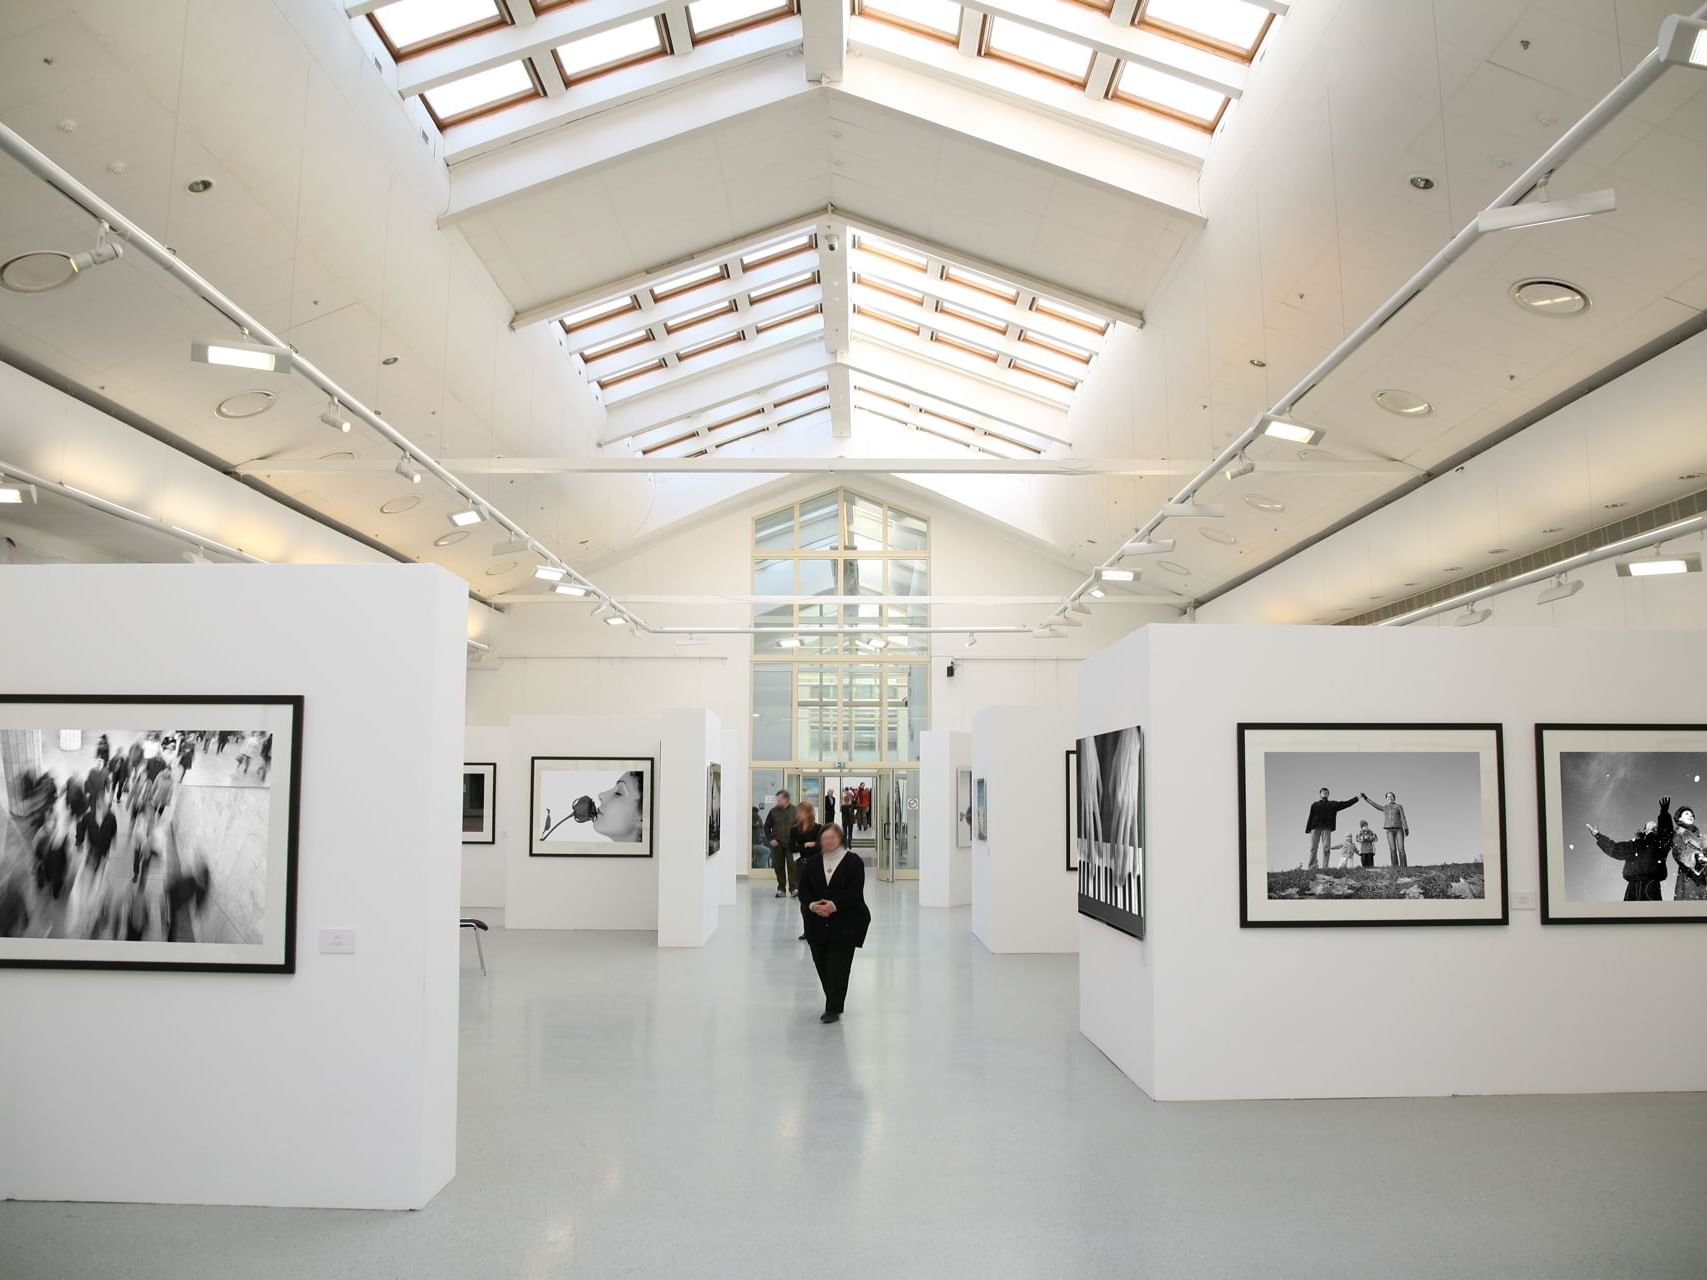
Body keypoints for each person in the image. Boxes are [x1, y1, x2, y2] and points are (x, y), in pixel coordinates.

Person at [798, 824, 870, 1023]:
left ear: (840, 839)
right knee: (822, 964)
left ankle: (833, 1007)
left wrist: (834, 905)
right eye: (825, 838)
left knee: (838, 966)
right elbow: (803, 889)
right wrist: (813, 905)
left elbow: (855, 890)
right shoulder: (812, 863)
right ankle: (833, 997)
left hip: (845, 923)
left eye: (832, 838)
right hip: (816, 923)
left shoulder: (853, 862)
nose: (828, 842)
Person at [1588, 796, 1673, 901]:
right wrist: (1598, 836)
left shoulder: (1659, 844)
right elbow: (1615, 849)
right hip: (1632, 887)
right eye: (1649, 825)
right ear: (1644, 830)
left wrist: (1664, 813)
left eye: (1655, 826)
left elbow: (1667, 834)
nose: (1652, 825)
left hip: (1650, 885)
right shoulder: (1634, 844)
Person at [1304, 788, 1361, 869]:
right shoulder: (1315, 804)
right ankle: (1312, 866)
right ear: (1320, 794)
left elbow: (1345, 804)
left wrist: (1357, 798)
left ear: (1328, 795)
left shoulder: (1332, 804)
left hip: (1326, 828)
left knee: (1326, 848)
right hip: (1315, 828)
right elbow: (1310, 816)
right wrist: (1308, 829)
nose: (1324, 793)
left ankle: (1325, 868)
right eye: (1323, 792)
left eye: (1326, 792)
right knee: (1313, 848)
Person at [790, 802, 823, 939]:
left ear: (808, 812)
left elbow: (820, 846)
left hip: (816, 866)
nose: (798, 813)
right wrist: (806, 845)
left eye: (800, 811)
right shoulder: (794, 830)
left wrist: (805, 846)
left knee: (817, 897)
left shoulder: (818, 828)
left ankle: (818, 928)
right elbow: (792, 847)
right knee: (804, 899)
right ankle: (807, 930)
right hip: (801, 866)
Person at [1361, 790, 1411, 867]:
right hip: (1389, 830)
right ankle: (1395, 867)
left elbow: (1403, 817)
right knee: (1392, 849)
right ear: (1386, 798)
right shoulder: (1385, 807)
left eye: (1391, 796)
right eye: (1388, 796)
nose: (1390, 797)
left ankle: (1403, 867)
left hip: (1399, 829)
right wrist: (1366, 798)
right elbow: (1374, 805)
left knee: (1401, 849)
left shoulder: (1399, 806)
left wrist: (1406, 827)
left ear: (1394, 797)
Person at [764, 790, 796, 898]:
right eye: (777, 800)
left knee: (792, 866)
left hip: (791, 844)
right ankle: (781, 888)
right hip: (778, 844)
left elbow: (799, 827)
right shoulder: (773, 811)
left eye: (779, 800)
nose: (777, 802)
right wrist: (771, 839)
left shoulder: (794, 811)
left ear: (786, 799)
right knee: (779, 866)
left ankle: (793, 888)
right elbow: (767, 827)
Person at [1672, 803, 1707, 901]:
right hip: (1688, 877)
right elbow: (1678, 851)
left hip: (1704, 879)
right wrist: (1695, 857)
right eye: (1687, 814)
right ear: (1679, 819)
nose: (1690, 816)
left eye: (1692, 815)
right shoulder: (1679, 834)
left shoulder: (1702, 838)